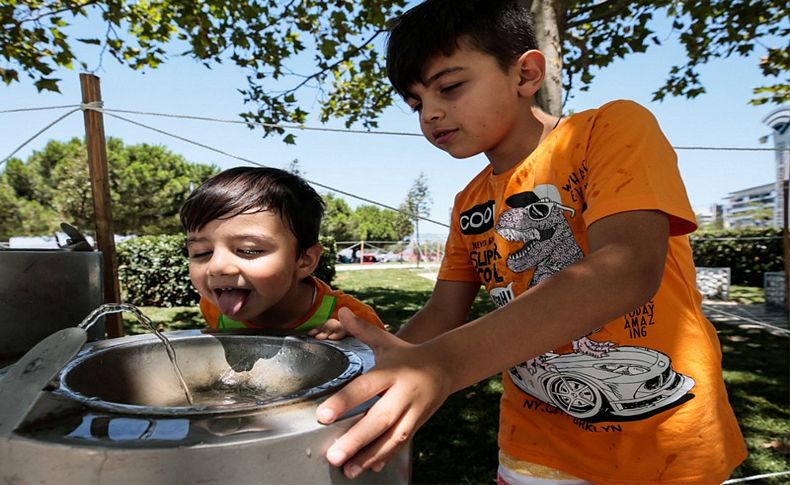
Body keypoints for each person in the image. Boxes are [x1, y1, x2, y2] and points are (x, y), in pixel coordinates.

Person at [315, 0, 748, 482]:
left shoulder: (611, 129)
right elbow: (442, 311)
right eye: (417, 103)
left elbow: (626, 268)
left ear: (525, 74)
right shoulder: (469, 201)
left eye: (450, 87)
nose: (431, 115)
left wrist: (443, 365)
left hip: (667, 446)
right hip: (534, 450)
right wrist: (373, 361)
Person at [180, 166, 384, 338]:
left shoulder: (352, 318)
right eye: (201, 253)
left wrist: (355, 342)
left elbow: (388, 364)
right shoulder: (213, 308)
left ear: (305, 260)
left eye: (248, 250)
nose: (216, 267)